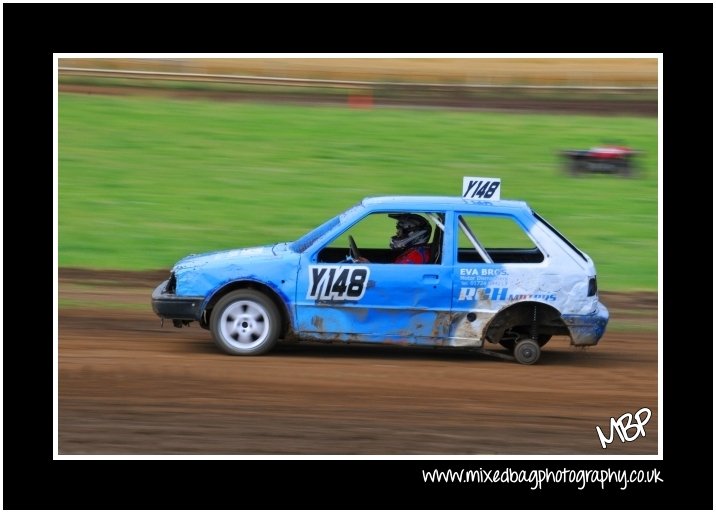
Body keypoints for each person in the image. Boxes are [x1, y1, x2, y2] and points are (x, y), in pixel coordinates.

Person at [355, 213, 432, 264]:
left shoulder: (415, 255)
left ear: (413, 234)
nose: (397, 234)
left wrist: (370, 266)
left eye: (400, 231)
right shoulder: (416, 251)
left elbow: (394, 275)